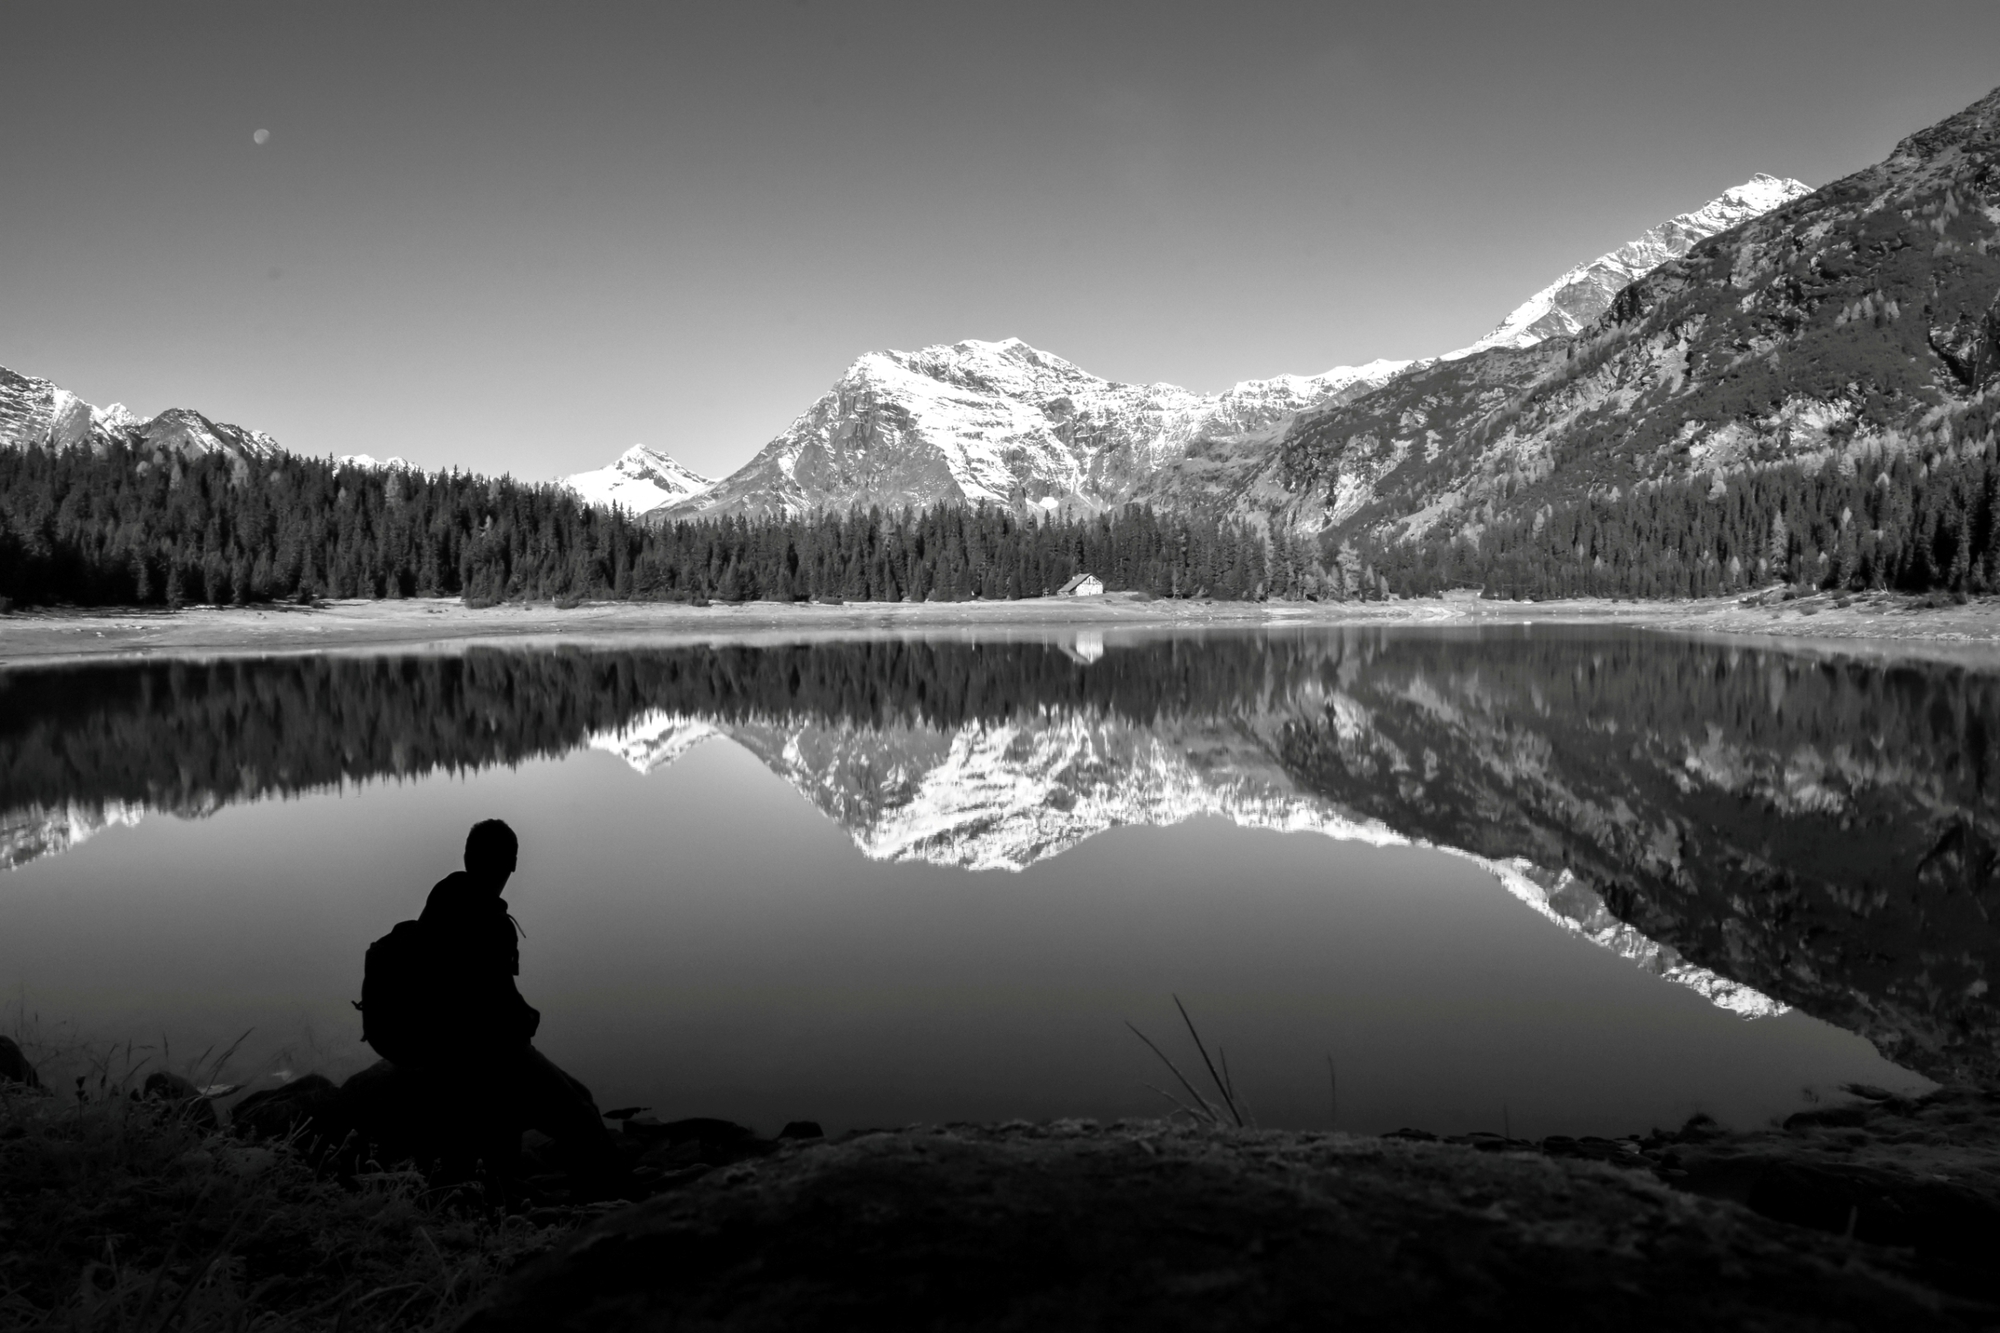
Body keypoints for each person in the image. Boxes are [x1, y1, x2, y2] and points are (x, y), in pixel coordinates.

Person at [401, 819, 618, 1181]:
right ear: (512, 864)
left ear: (467, 857)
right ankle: (608, 1214)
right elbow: (496, 1004)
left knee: (509, 1130)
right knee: (582, 1114)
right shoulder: (491, 920)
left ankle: (500, 1200)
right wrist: (526, 1017)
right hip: (486, 1054)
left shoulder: (444, 895)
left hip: (441, 1048)